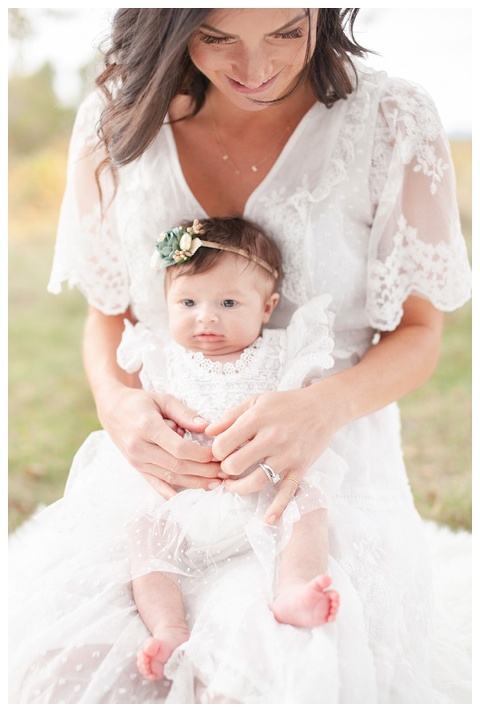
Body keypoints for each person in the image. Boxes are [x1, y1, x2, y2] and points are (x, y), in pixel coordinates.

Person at [8, 8, 471, 704]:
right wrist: (118, 405)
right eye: (217, 37)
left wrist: (322, 409)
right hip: (157, 473)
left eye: (287, 31)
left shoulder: (391, 120)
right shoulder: (116, 118)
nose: (255, 70)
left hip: (324, 466)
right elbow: (109, 317)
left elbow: (420, 332)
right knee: (57, 664)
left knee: (276, 667)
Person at [119, 215, 343, 681]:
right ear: (166, 304)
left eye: (227, 302)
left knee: (310, 504)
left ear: (267, 307)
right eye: (187, 301)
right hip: (183, 495)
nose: (206, 316)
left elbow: (304, 410)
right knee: (143, 532)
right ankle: (167, 625)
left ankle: (294, 589)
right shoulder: (163, 356)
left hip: (265, 489)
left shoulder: (281, 352)